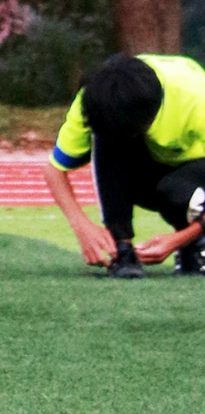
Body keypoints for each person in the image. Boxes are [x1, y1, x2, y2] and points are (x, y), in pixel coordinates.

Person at [45, 53, 205, 276]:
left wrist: (179, 239)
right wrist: (82, 227)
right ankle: (122, 249)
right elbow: (54, 170)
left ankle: (196, 245)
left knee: (175, 190)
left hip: (195, 172)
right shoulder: (96, 98)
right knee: (106, 140)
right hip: (152, 171)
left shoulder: (197, 99)